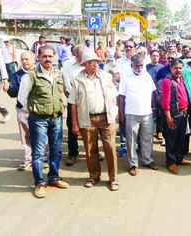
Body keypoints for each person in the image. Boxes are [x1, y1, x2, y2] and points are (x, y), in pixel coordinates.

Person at [18, 45, 69, 198]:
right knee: (39, 153)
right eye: (44, 56)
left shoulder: (59, 74)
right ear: (38, 58)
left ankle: (53, 177)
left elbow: (64, 93)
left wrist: (61, 106)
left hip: (56, 118)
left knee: (55, 150)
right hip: (38, 120)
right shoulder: (30, 76)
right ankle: (39, 183)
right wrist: (36, 110)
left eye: (50, 56)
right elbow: (22, 98)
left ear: (54, 57)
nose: (47, 59)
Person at [70, 51, 119, 191]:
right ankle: (94, 176)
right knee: (90, 149)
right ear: (84, 64)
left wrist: (114, 112)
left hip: (106, 117)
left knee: (110, 148)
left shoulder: (105, 77)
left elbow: (114, 96)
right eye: (92, 62)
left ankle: (113, 178)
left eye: (97, 62)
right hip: (87, 118)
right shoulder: (77, 79)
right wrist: (75, 124)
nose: (96, 64)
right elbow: (73, 103)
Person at [8, 51, 49, 170]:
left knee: (42, 134)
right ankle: (27, 159)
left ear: (34, 59)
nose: (24, 61)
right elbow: (11, 92)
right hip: (23, 109)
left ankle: (45, 157)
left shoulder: (40, 72)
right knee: (25, 135)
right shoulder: (17, 75)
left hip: (39, 110)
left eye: (27, 59)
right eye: (22, 59)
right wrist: (21, 87)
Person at [118, 54, 158, 176]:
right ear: (132, 65)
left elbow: (153, 93)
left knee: (147, 139)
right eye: (137, 65)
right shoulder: (126, 77)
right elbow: (121, 97)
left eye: (141, 65)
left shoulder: (147, 76)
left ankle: (147, 160)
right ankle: (133, 164)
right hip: (131, 114)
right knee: (131, 140)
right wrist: (121, 114)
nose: (140, 68)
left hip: (147, 114)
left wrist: (154, 107)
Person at [160, 59, 191, 174]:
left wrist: (187, 111)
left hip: (183, 114)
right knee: (171, 139)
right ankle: (171, 162)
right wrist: (168, 116)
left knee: (180, 138)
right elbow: (165, 100)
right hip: (173, 115)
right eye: (176, 68)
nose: (178, 70)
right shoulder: (167, 81)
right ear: (171, 68)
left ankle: (179, 158)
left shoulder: (181, 79)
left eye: (180, 68)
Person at [62, 46, 84, 166]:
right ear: (76, 55)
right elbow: (65, 80)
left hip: (87, 100)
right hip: (72, 98)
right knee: (72, 125)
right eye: (81, 57)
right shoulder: (68, 64)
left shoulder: (89, 61)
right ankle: (72, 153)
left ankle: (92, 151)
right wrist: (65, 88)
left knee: (90, 126)